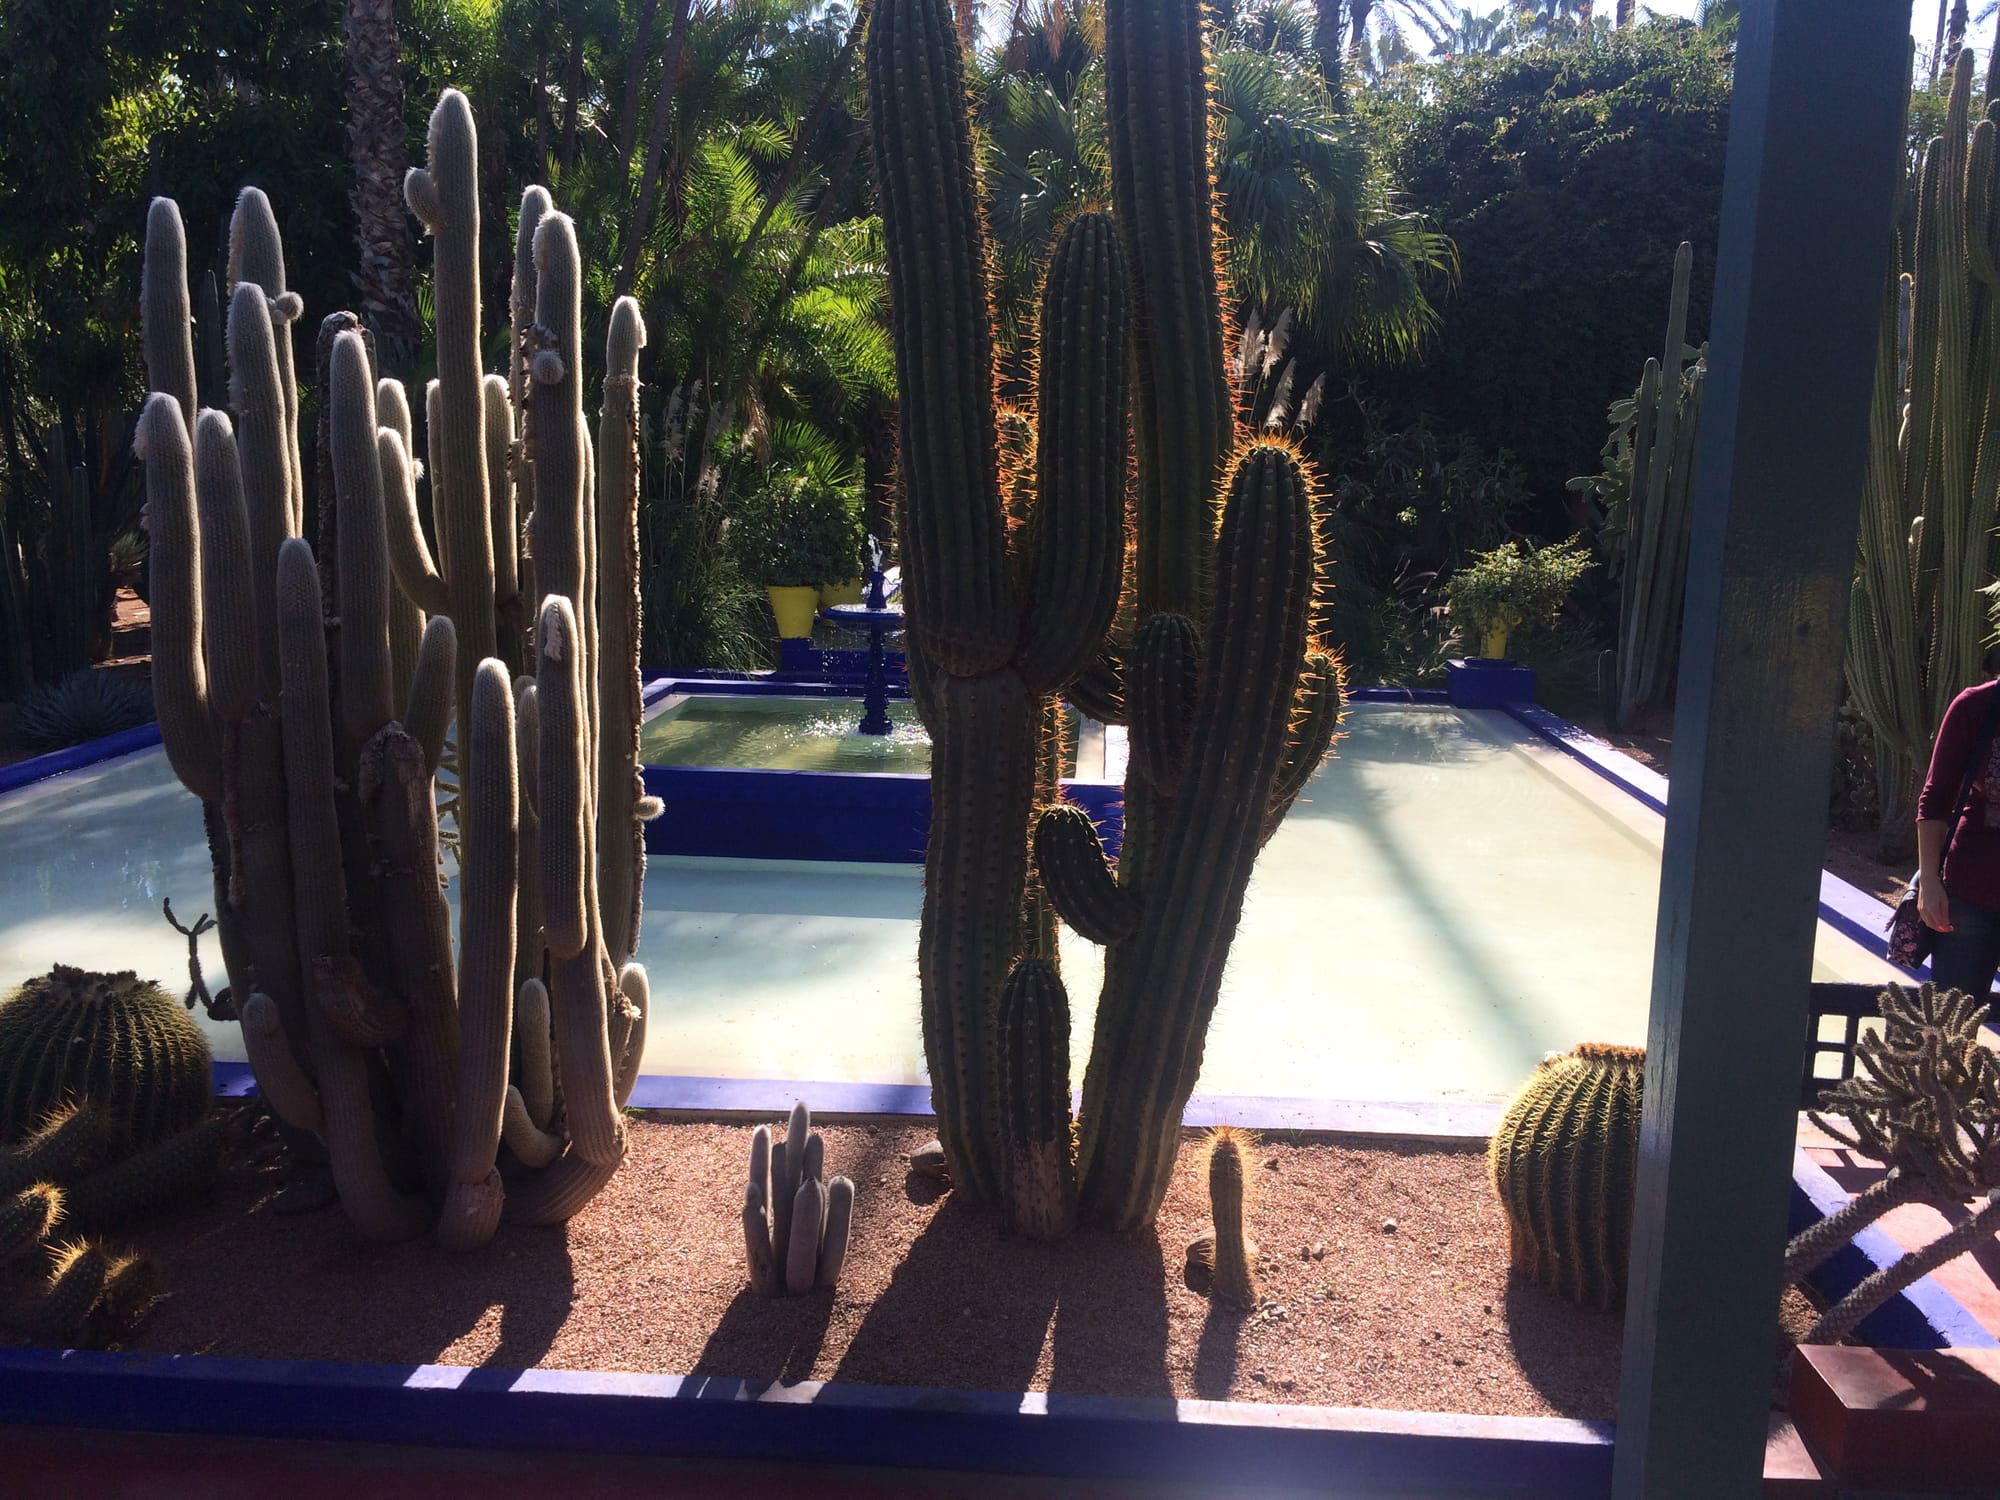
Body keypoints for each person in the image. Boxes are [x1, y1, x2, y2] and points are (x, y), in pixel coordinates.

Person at [1916, 654, 2000, 996]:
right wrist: (1930, 882)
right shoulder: (1976, 707)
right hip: (1968, 897)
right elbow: (1935, 799)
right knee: (1951, 1030)